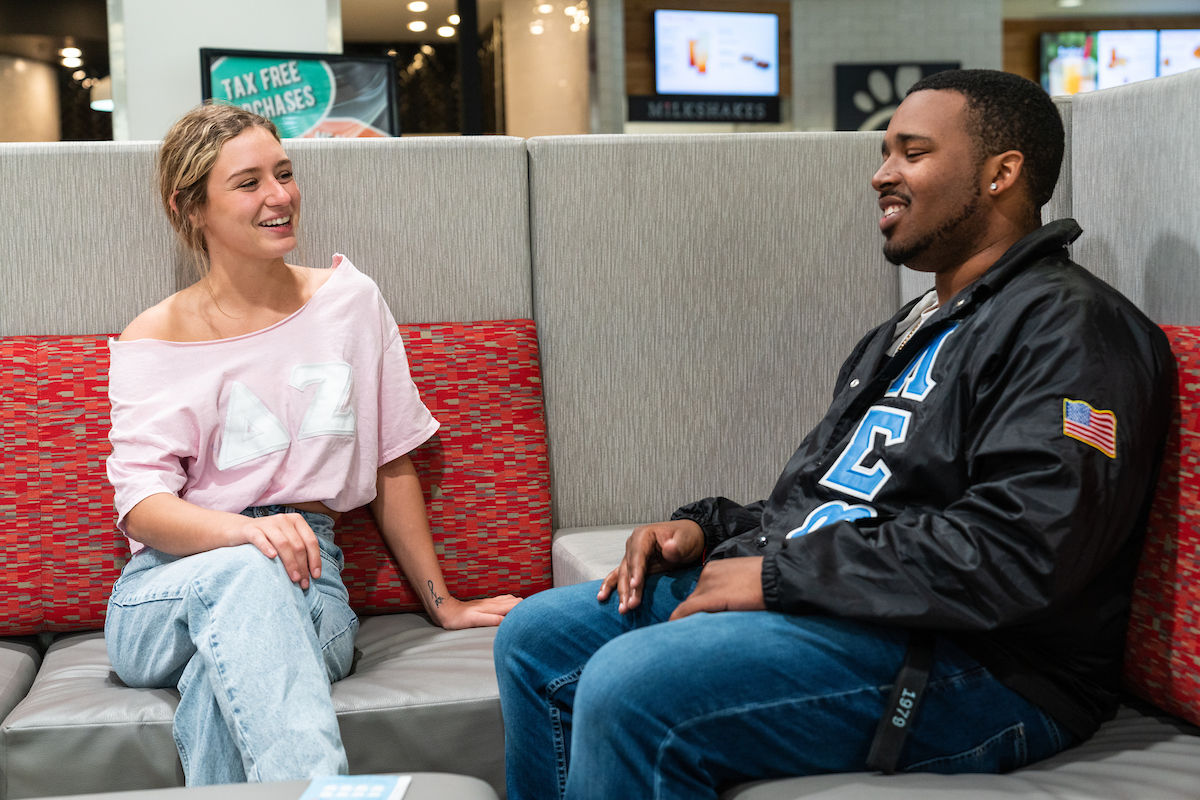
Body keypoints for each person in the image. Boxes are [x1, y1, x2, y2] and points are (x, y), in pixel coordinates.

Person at [493, 69, 1174, 800]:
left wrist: (782, 576)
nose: (883, 174)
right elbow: (837, 502)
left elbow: (1023, 552)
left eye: (912, 152)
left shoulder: (1075, 330)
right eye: (885, 153)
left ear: (1002, 173)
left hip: (990, 667)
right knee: (537, 637)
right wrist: (707, 529)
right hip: (861, 606)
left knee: (633, 687)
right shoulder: (910, 328)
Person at [104, 103, 520, 786]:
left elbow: (392, 462)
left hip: (309, 587)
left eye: (285, 173)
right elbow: (142, 507)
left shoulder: (349, 303)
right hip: (165, 588)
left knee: (223, 682)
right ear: (192, 208)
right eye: (248, 183)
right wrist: (244, 537)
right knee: (242, 572)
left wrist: (442, 603)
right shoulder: (154, 336)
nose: (280, 197)